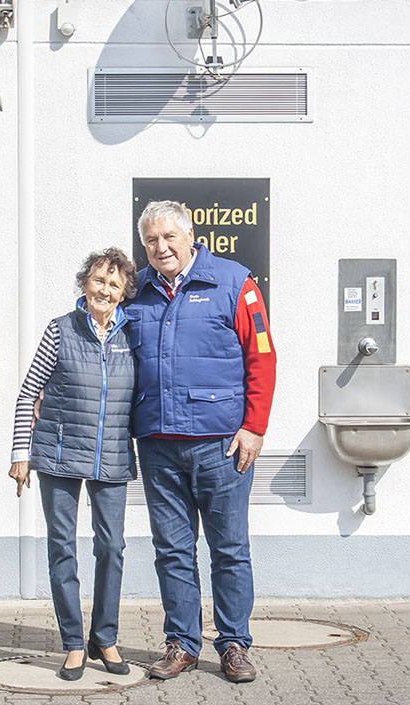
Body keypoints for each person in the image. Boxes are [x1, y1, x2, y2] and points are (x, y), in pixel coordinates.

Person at [127, 201, 276, 683]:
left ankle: (233, 644)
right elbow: (99, 345)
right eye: (151, 240)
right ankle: (182, 643)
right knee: (172, 549)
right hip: (158, 444)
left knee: (229, 547)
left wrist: (254, 427)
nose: (160, 247)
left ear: (192, 236)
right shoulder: (138, 291)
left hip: (222, 444)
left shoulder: (234, 282)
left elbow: (263, 357)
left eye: (169, 237)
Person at [9, 248, 138, 681]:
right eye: (99, 280)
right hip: (59, 454)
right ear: (85, 283)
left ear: (124, 293)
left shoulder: (131, 334)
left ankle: (104, 637)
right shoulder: (59, 330)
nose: (105, 289)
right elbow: (29, 393)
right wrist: (20, 454)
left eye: (114, 284)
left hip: (113, 453)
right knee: (62, 547)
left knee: (112, 548)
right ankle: (71, 643)